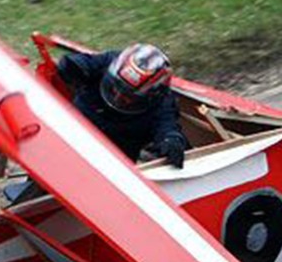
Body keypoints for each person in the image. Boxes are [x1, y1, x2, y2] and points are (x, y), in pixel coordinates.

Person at [56, 43, 188, 168]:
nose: (117, 97)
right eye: (114, 88)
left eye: (127, 97)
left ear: (151, 96)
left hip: (111, 162)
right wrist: (71, 67)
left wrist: (171, 141)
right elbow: (79, 63)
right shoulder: (107, 61)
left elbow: (168, 127)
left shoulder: (163, 103)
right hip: (70, 133)